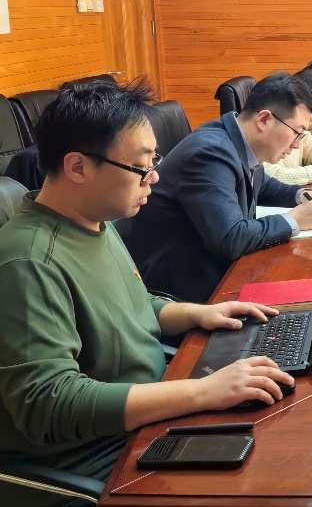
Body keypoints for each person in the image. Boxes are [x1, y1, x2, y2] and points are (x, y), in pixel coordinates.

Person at [0, 80, 295, 507]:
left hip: (151, 405)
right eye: (141, 166)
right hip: (98, 454)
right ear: (78, 167)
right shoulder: (29, 262)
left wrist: (197, 313)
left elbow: (133, 301)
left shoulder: (94, 221)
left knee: (283, 425)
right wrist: (204, 392)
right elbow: (49, 403)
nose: (153, 177)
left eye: (153, 160)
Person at [123, 73, 312, 304]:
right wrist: (293, 220)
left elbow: (262, 183)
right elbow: (231, 238)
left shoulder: (237, 138)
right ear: (264, 119)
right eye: (297, 132)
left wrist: (302, 195)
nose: (297, 144)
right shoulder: (210, 154)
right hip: (188, 291)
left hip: (219, 270)